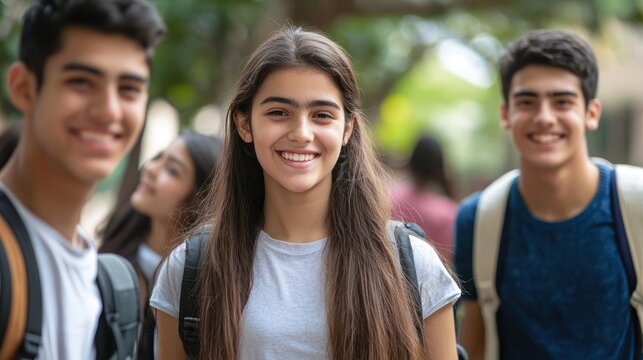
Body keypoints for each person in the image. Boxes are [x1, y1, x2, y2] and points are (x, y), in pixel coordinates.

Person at [150, 26, 460, 360]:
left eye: (322, 115)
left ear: (348, 128)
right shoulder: (191, 267)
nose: (301, 133)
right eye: (279, 113)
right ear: (244, 124)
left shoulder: (411, 265)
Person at [454, 30, 642, 359]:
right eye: (527, 102)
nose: (544, 117)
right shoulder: (480, 217)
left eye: (562, 102)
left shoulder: (635, 203)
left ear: (591, 113)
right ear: (505, 114)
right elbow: (474, 344)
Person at [0, 0, 164, 358]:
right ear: (24, 88)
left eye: (129, 89)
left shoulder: (106, 284)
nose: (108, 110)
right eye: (81, 82)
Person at [99, 130, 222, 302]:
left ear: (201, 200)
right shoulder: (109, 260)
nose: (150, 168)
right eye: (158, 158)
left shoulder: (202, 295)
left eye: (172, 170)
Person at [392, 134, 458, 264]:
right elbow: (447, 262)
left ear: (412, 161)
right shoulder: (448, 211)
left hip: (389, 277)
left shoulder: (392, 198)